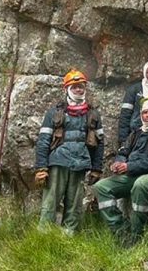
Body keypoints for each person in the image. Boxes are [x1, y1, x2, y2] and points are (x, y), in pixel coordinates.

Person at [94, 94, 148, 246]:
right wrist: (118, 163)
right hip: (130, 175)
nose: (147, 115)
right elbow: (123, 152)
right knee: (101, 187)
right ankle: (121, 232)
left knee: (141, 184)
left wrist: (129, 166)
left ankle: (137, 235)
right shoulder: (136, 133)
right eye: (144, 112)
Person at [34, 70, 104, 234]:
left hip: (80, 164)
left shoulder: (93, 114)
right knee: (50, 202)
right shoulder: (54, 113)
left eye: (81, 86)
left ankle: (69, 237)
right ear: (67, 89)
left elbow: (100, 144)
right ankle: (44, 236)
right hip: (58, 162)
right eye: (74, 87)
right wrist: (41, 168)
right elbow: (43, 141)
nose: (79, 90)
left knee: (75, 204)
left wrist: (96, 168)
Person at [118, 62, 148, 144]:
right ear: (144, 73)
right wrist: (123, 139)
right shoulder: (134, 89)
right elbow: (125, 114)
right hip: (136, 131)